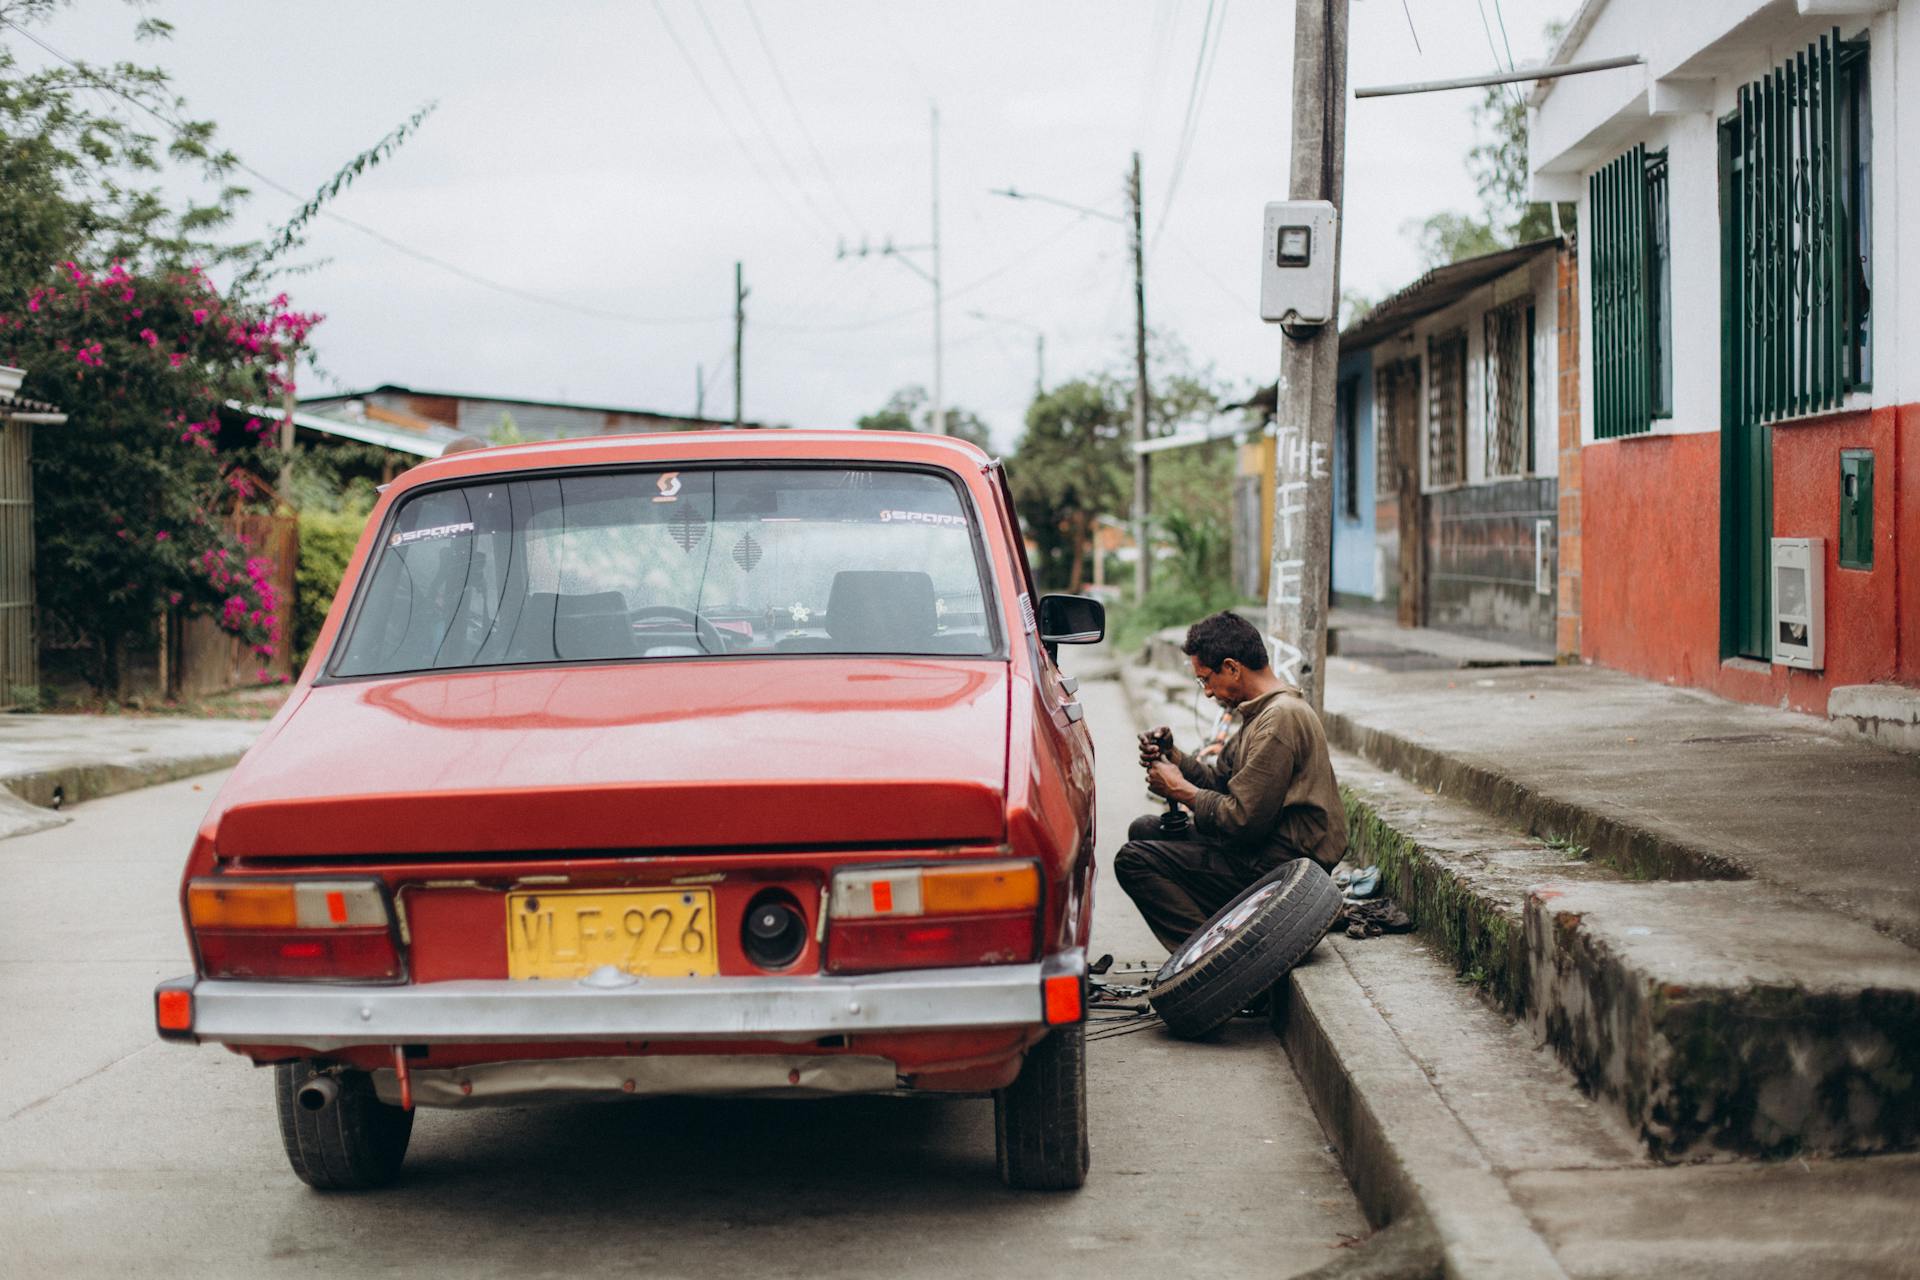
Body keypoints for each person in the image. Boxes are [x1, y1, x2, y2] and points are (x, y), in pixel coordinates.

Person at [1114, 610, 1347, 952]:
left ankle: (1216, 962)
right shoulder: (1262, 713)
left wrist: (1180, 789)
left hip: (1282, 867)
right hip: (1261, 850)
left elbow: (1242, 820)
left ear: (1232, 668)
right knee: (1146, 829)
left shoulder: (1279, 720)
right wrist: (1174, 757)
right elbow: (1222, 784)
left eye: (1206, 679)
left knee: (1133, 860)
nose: (1207, 692)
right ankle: (1220, 938)